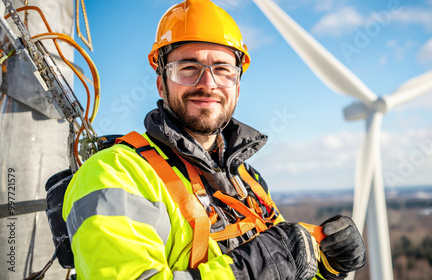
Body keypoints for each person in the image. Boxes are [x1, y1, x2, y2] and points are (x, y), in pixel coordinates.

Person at [62, 0, 366, 279]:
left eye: (222, 70)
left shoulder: (248, 180)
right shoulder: (115, 174)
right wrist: (259, 265)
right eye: (188, 68)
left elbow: (283, 270)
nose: (207, 84)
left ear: (237, 85)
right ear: (160, 83)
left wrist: (326, 267)